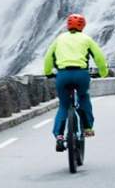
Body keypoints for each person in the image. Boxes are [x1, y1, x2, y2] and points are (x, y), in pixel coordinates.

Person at [42, 13, 110, 153]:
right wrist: (103, 73)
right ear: (83, 26)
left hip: (63, 75)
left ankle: (59, 136)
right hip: (81, 75)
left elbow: (48, 57)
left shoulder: (59, 39)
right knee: (84, 97)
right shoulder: (87, 39)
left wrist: (48, 72)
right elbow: (99, 57)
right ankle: (87, 127)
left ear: (67, 25)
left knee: (63, 105)